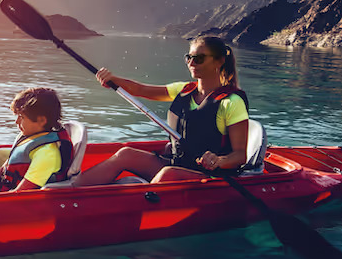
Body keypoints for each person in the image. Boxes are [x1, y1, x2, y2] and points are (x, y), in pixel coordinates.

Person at [71, 36, 250, 186]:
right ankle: (67, 191)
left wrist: (218, 161)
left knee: (168, 174)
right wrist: (112, 80)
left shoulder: (231, 102)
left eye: (199, 58)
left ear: (219, 61)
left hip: (210, 176)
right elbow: (140, 90)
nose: (192, 63)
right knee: (126, 154)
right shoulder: (183, 89)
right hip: (178, 162)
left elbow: (240, 155)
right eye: (189, 57)